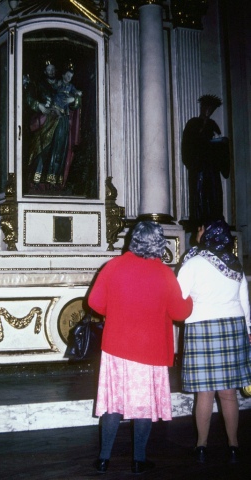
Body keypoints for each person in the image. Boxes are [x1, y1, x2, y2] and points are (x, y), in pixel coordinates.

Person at [88, 221, 193, 474]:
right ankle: (138, 460)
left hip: (116, 348)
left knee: (113, 403)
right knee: (143, 405)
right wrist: (189, 298)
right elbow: (180, 312)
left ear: (133, 240)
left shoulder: (112, 266)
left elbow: (94, 302)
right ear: (160, 245)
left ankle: (103, 459)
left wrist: (114, 312)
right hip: (149, 351)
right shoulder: (164, 274)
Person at [177, 219, 251, 464]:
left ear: (205, 236)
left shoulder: (194, 262)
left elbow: (179, 297)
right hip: (233, 327)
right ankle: (233, 446)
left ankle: (201, 446)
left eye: (201, 230)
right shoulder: (235, 262)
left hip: (201, 327)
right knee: (229, 395)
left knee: (204, 395)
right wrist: (248, 330)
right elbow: (244, 303)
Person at [26, 61, 81, 191]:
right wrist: (38, 105)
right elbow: (29, 98)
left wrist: (74, 99)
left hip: (60, 120)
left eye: (53, 69)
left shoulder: (62, 84)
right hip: (44, 121)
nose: (51, 72)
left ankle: (52, 182)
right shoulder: (38, 84)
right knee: (41, 149)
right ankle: (35, 181)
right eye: (48, 70)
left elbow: (75, 100)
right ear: (45, 71)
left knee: (58, 150)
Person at [182, 95, 230, 226]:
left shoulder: (213, 125)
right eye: (207, 107)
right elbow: (189, 144)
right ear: (202, 108)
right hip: (199, 166)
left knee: (214, 193)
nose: (209, 110)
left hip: (211, 166)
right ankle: (199, 220)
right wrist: (202, 126)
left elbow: (217, 143)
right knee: (200, 193)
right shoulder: (193, 123)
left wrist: (222, 143)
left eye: (212, 108)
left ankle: (215, 220)